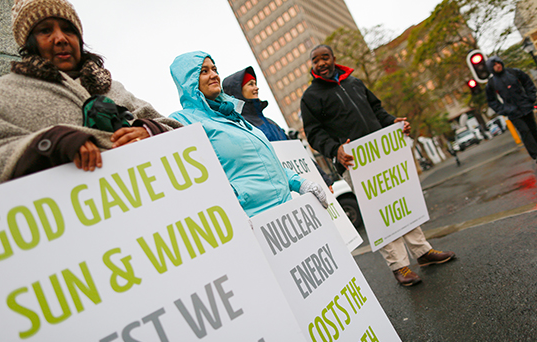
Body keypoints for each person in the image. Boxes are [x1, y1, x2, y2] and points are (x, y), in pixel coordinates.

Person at [300, 45, 455, 286]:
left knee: (401, 204)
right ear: (311, 65)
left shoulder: (355, 83)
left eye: (324, 57)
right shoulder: (310, 97)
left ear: (334, 59)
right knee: (379, 213)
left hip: (384, 156)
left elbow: (377, 111)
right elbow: (313, 133)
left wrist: (394, 123)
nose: (320, 63)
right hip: (354, 163)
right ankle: (398, 266)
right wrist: (335, 150)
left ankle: (422, 252)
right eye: (315, 60)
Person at [0, 0, 181, 188]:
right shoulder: (3, 94)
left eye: (68, 29)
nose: (60, 38)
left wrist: (148, 131)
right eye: (45, 30)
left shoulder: (113, 88)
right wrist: (50, 143)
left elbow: (182, 134)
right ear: (29, 43)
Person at [169, 51, 327, 217]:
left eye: (215, 69)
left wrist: (300, 182)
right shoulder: (184, 121)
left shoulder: (235, 116)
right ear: (188, 81)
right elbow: (194, 184)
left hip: (287, 213)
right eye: (204, 71)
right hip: (253, 220)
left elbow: (267, 164)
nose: (214, 75)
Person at [222, 66, 334, 188]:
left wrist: (325, 180)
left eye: (255, 83)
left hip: (301, 185)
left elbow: (299, 154)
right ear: (237, 91)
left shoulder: (271, 123)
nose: (256, 87)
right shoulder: (240, 127)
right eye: (250, 84)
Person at [485, 56, 537, 163]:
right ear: (491, 68)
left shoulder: (513, 72)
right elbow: (491, 100)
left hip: (525, 106)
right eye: (494, 65)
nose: (498, 66)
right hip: (512, 112)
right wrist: (503, 110)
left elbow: (527, 82)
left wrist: (531, 97)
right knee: (524, 131)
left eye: (498, 63)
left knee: (533, 129)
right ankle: (535, 154)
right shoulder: (491, 83)